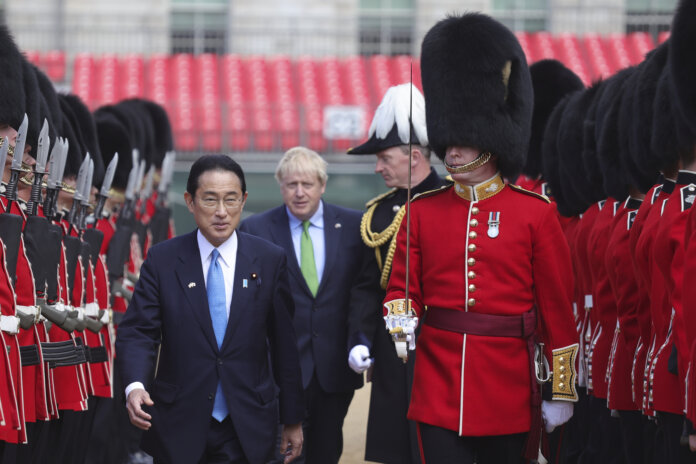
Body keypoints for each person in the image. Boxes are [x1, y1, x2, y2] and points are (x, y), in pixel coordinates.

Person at [383, 14, 579, 463]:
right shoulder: (422, 211)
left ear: (492, 140)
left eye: (464, 142)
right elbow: (402, 287)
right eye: (449, 140)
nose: (451, 150)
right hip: (437, 386)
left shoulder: (535, 214)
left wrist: (561, 389)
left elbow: (556, 311)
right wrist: (401, 317)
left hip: (508, 387)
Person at [115, 154, 304, 464]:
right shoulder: (163, 260)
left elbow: (285, 343)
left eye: (231, 200)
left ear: (243, 201)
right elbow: (138, 331)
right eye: (210, 200)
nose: (221, 212)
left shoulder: (269, 260)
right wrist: (134, 386)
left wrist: (293, 418)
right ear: (190, 201)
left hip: (248, 421)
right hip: (179, 421)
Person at [239, 146, 380, 463]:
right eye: (292, 185)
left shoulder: (356, 227)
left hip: (333, 370)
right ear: (281, 186)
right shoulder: (256, 230)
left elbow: (365, 291)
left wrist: (362, 341)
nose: (300, 193)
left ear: (323, 185)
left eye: (307, 184)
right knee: (285, 454)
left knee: (326, 451)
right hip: (280, 372)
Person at [345, 82, 448, 464]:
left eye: (385, 158)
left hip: (443, 348)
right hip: (393, 352)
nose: (377, 167)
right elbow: (366, 288)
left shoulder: (453, 202)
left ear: (414, 156)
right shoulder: (378, 214)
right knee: (395, 450)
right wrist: (359, 338)